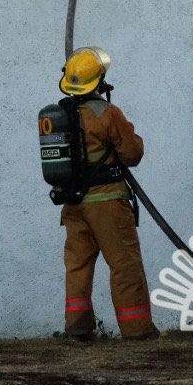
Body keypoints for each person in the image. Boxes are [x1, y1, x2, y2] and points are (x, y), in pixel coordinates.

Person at [57, 46, 159, 340]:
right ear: (99, 81)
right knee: (125, 264)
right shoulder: (106, 113)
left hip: (73, 204)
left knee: (77, 266)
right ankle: (137, 329)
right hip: (107, 203)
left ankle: (77, 327)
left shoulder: (60, 115)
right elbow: (132, 153)